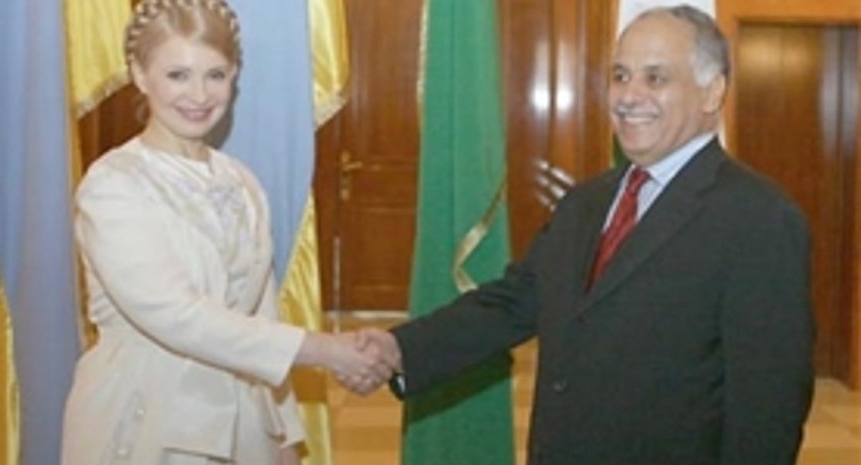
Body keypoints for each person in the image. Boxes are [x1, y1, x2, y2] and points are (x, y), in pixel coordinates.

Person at [358, 5, 815, 465]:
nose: (629, 96)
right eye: (620, 75)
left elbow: (768, 411)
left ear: (711, 92)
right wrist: (398, 349)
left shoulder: (759, 219)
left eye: (655, 78)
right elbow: (515, 302)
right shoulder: (586, 202)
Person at [60, 1, 387, 464]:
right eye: (178, 75)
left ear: (235, 76)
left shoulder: (241, 180)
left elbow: (263, 314)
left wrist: (284, 437)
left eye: (215, 75)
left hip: (244, 424)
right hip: (144, 420)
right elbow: (178, 316)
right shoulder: (113, 185)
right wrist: (326, 350)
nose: (199, 95)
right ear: (139, 74)